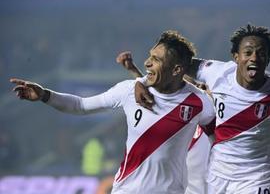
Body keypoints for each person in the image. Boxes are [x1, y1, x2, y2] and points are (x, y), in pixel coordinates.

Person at [10, 30, 215, 194]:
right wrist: (46, 95)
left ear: (177, 69)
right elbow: (81, 105)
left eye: (157, 59)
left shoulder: (200, 102)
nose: (147, 63)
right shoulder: (129, 90)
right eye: (149, 57)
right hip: (125, 190)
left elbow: (220, 140)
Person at [134, 24, 270, 193]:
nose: (254, 58)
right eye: (248, 52)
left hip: (255, 177)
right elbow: (171, 65)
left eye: (261, 53)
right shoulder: (217, 73)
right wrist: (141, 82)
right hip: (217, 176)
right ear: (236, 57)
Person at [116, 51, 214, 194]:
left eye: (200, 88)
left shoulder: (212, 128)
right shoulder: (173, 124)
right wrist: (135, 72)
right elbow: (153, 99)